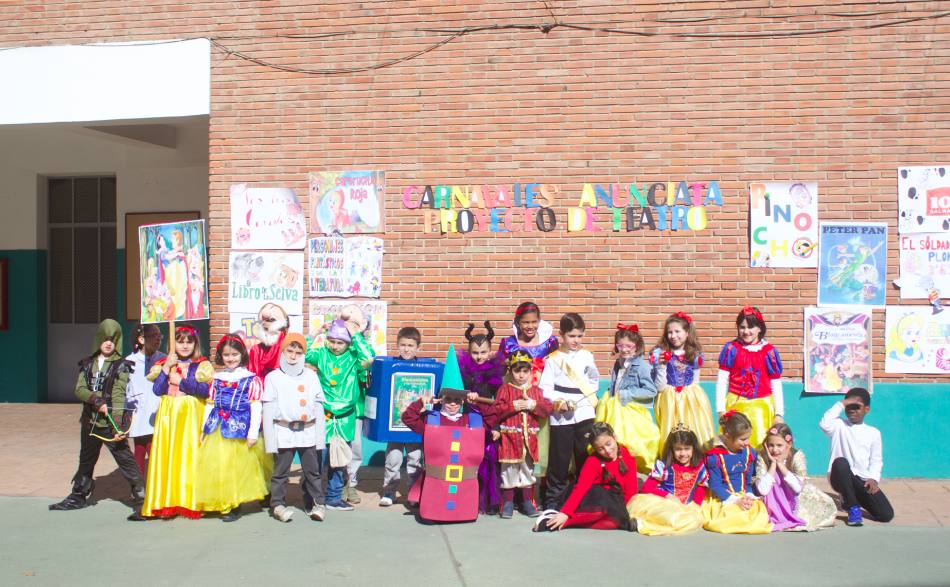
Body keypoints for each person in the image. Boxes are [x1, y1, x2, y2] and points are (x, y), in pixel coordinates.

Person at [50, 319, 144, 514]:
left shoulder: (121, 366)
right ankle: (78, 495)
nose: (108, 343)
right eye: (105, 338)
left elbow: (118, 395)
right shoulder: (87, 363)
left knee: (125, 459)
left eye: (112, 339)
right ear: (99, 340)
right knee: (86, 459)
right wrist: (95, 400)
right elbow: (80, 389)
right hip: (90, 422)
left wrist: (118, 427)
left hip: (110, 425)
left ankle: (142, 498)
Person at [133, 324, 213, 520]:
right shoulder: (163, 363)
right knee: (168, 458)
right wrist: (167, 368)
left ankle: (190, 500)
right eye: (180, 341)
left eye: (189, 341)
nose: (185, 346)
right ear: (173, 343)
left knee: (189, 457)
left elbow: (204, 391)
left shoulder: (201, 365)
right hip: (169, 416)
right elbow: (158, 390)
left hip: (190, 415)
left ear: (195, 343)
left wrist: (181, 382)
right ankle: (166, 500)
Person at [402, 347, 486, 523]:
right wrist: (422, 403)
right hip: (436, 482)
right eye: (448, 399)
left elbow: (493, 417)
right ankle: (432, 513)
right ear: (442, 400)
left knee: (460, 501)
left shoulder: (471, 420)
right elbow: (408, 418)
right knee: (436, 503)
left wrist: (477, 402)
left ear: (462, 402)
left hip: (464, 482)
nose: (453, 404)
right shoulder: (431, 420)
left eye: (457, 400)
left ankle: (462, 514)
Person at [194, 334, 271, 521]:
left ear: (242, 355)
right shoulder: (217, 378)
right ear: (221, 355)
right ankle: (219, 501)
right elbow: (210, 404)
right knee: (217, 466)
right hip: (218, 428)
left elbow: (256, 406)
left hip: (240, 428)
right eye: (226, 355)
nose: (230, 358)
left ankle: (234, 504)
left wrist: (253, 433)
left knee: (239, 469)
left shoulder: (250, 379)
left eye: (235, 354)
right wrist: (204, 429)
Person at [305, 319, 374, 511]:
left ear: (348, 343)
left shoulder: (353, 356)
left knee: (339, 462)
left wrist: (356, 335)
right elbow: (302, 352)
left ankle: (333, 498)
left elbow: (369, 358)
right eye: (332, 341)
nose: (335, 346)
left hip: (345, 419)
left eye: (340, 342)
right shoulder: (321, 354)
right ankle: (312, 497)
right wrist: (314, 333)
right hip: (323, 417)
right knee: (318, 461)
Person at [261, 333, 327, 522]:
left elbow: (318, 407)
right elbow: (268, 409)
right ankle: (278, 504)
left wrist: (320, 439)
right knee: (280, 472)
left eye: (298, 352)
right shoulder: (273, 378)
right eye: (290, 351)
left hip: (308, 432)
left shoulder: (311, 376)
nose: (293, 355)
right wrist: (270, 442)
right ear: (283, 351)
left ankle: (317, 503)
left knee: (312, 471)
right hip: (283, 432)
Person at [540, 312, 600, 510]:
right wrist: (558, 401)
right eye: (572, 336)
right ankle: (553, 501)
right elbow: (545, 387)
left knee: (584, 456)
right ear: (562, 335)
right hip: (561, 414)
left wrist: (584, 400)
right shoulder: (553, 360)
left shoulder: (587, 356)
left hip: (584, 411)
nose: (576, 340)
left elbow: (593, 381)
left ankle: (585, 498)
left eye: (580, 336)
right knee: (560, 459)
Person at [534, 423, 637, 532]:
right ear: (595, 449)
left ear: (614, 437)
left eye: (608, 444)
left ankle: (563, 522)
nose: (607, 450)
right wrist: (565, 512)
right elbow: (581, 489)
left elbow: (631, 491)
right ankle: (554, 521)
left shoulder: (628, 457)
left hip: (614, 502)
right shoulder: (593, 461)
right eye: (600, 449)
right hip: (590, 499)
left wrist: (625, 513)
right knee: (602, 508)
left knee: (615, 521)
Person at [819, 387, 893, 526]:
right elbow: (824, 422)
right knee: (841, 463)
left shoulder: (873, 433)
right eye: (849, 406)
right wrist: (842, 403)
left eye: (857, 407)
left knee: (885, 514)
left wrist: (873, 479)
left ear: (867, 409)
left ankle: (852, 497)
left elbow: (876, 460)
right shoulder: (838, 425)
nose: (852, 410)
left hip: (861, 480)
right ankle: (852, 506)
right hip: (839, 477)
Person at [493, 350, 552, 519]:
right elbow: (496, 411)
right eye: (517, 371)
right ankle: (508, 503)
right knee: (509, 471)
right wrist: (513, 407)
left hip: (529, 441)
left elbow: (547, 410)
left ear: (531, 371)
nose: (521, 375)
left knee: (528, 471)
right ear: (510, 371)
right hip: (510, 440)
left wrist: (533, 405)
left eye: (525, 371)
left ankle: (527, 502)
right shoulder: (505, 389)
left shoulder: (536, 391)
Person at [716, 306, 784, 448]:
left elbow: (776, 384)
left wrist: (779, 413)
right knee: (735, 441)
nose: (746, 331)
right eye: (742, 327)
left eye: (751, 327)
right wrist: (720, 409)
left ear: (760, 328)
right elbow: (722, 381)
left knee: (761, 442)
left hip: (762, 407)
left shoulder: (769, 352)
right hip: (736, 404)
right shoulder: (731, 349)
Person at [599, 323, 660, 472]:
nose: (624, 349)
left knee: (629, 445)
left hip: (631, 415)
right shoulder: (618, 363)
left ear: (637, 346)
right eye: (620, 346)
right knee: (613, 442)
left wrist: (627, 393)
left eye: (629, 346)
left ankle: (630, 473)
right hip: (615, 411)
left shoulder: (641, 367)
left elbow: (651, 390)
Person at [458, 321, 505, 514]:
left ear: (490, 351)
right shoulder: (464, 371)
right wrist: (465, 395)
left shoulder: (495, 371)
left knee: (489, 459)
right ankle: (468, 498)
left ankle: (489, 501)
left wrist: (497, 426)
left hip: (488, 421)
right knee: (468, 459)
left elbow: (500, 400)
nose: (479, 357)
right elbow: (454, 393)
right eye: (475, 353)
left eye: (483, 353)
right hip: (468, 419)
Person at [650, 312, 715, 452]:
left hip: (691, 399)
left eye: (677, 331)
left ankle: (696, 458)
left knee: (694, 426)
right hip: (669, 399)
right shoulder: (661, 353)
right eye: (669, 332)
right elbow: (660, 387)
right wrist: (661, 365)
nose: (673, 336)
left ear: (687, 332)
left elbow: (695, 381)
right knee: (671, 429)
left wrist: (693, 397)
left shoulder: (694, 354)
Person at [627, 424, 708, 536]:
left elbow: (701, 486)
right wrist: (668, 496)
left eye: (687, 449)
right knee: (666, 516)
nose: (683, 454)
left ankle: (644, 525)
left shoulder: (700, 466)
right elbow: (647, 488)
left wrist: (696, 504)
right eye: (678, 449)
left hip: (687, 505)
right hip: (664, 502)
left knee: (691, 520)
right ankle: (641, 524)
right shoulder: (665, 466)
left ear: (694, 448)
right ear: (671, 449)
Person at [755, 423, 836, 531]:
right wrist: (773, 465)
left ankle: (788, 515)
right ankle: (776, 513)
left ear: (788, 444)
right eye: (771, 445)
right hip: (771, 498)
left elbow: (798, 488)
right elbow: (763, 490)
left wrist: (780, 465)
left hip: (793, 496)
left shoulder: (796, 456)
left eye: (779, 445)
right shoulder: (763, 457)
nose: (774, 450)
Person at [702, 411, 772, 534]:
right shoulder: (716, 457)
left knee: (758, 514)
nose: (747, 442)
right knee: (732, 516)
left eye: (748, 438)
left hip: (743, 494)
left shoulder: (749, 453)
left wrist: (749, 496)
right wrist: (735, 500)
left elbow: (748, 482)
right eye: (743, 439)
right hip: (724, 497)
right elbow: (715, 485)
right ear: (727, 435)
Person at [380, 326, 424, 507]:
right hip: (395, 422)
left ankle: (413, 494)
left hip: (415, 426)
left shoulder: (424, 368)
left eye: (410, 345)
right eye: (403, 345)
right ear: (397, 345)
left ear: (418, 348)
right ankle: (389, 492)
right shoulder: (391, 367)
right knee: (393, 460)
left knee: (415, 460)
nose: (406, 349)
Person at [125, 323, 166, 476]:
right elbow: (125, 389)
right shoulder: (129, 362)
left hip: (157, 411)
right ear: (141, 339)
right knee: (140, 450)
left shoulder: (163, 360)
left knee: (155, 451)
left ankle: (157, 488)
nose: (158, 339)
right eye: (153, 336)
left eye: (159, 336)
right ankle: (139, 488)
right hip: (139, 413)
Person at [497, 301, 559, 385]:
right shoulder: (508, 344)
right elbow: (499, 371)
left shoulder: (550, 342)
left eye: (534, 322)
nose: (530, 326)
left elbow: (557, 369)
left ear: (539, 321)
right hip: (516, 391)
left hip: (542, 391)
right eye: (526, 322)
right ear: (518, 322)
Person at [247, 303, 289, 379]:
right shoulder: (256, 350)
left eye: (272, 320)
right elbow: (252, 378)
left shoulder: (289, 348)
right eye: (263, 321)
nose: (266, 324)